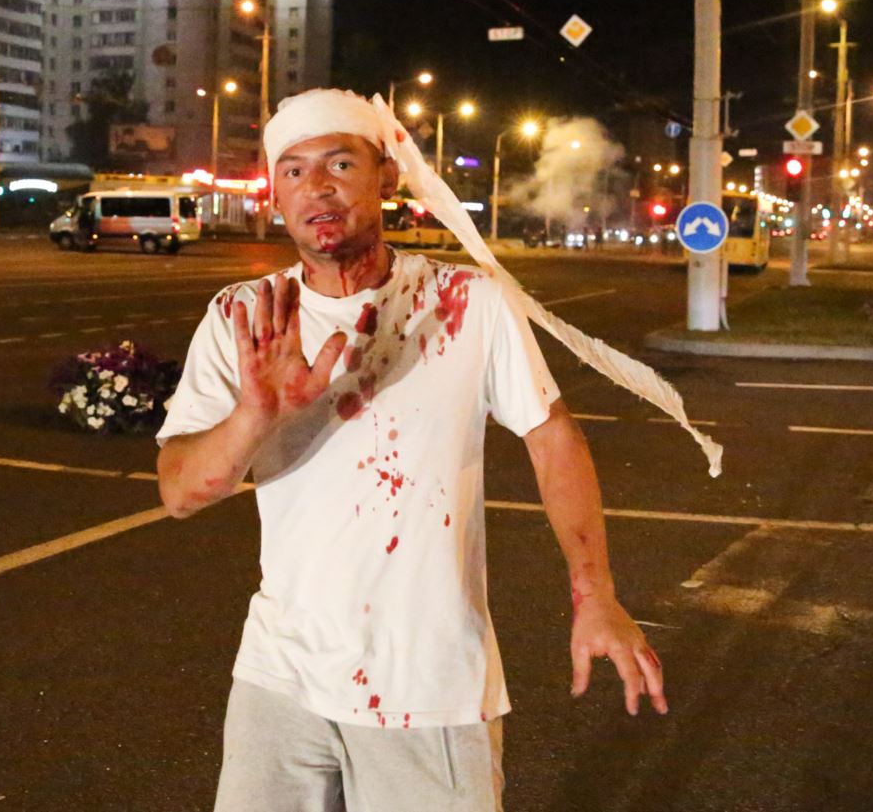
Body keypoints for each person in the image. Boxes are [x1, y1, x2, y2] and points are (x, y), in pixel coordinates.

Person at [156, 88, 666, 812]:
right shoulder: (244, 318)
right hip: (279, 677)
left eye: (340, 163)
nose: (317, 186)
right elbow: (179, 492)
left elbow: (552, 437)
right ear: (276, 193)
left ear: (387, 176)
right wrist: (255, 413)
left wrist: (596, 596)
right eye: (294, 170)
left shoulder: (468, 300)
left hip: (428, 688)